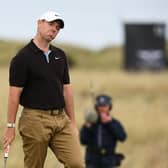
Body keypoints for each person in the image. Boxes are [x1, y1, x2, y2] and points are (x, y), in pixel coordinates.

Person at [3, 11, 85, 168]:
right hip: (34, 120)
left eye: (57, 28)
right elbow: (14, 94)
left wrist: (73, 123)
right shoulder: (22, 57)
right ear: (39, 23)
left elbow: (66, 89)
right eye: (50, 24)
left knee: (77, 164)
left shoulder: (60, 55)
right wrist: (10, 127)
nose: (54, 30)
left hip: (61, 120)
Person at [80, 94, 127, 168]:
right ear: (96, 107)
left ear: (109, 107)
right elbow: (83, 141)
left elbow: (122, 137)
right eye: (100, 106)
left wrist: (110, 123)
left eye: (105, 106)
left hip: (109, 160)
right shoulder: (91, 123)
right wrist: (87, 127)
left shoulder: (114, 123)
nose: (102, 108)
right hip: (92, 160)